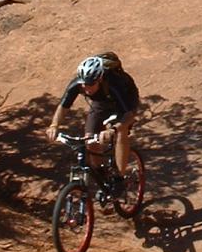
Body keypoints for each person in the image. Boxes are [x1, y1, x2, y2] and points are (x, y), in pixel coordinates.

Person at [48, 54, 140, 186]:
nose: (86, 88)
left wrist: (113, 129)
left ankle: (120, 177)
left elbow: (128, 116)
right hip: (101, 104)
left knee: (121, 132)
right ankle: (101, 174)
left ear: (100, 79)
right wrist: (54, 125)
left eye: (91, 84)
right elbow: (63, 106)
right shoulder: (78, 84)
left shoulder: (115, 83)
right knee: (89, 139)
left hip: (125, 102)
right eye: (84, 84)